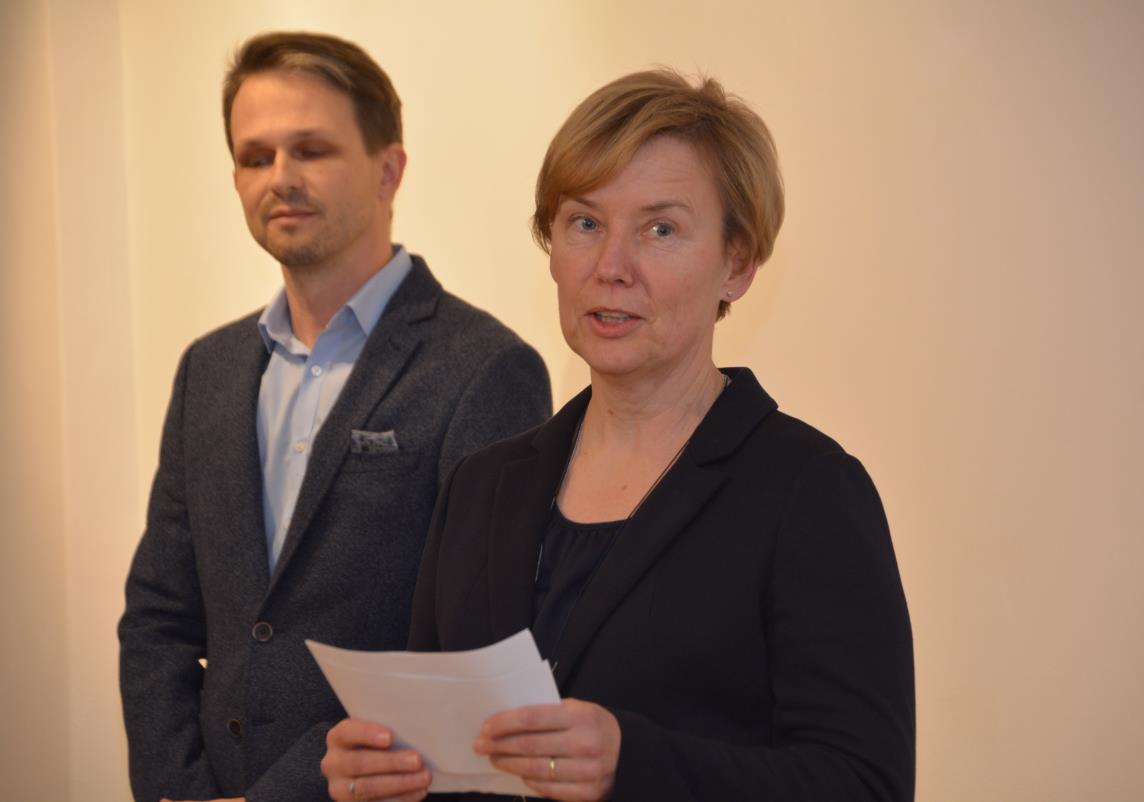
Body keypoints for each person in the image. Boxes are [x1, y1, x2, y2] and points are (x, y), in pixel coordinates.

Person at [320, 69, 915, 802]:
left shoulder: (810, 491)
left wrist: (633, 765)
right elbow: (448, 757)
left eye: (660, 230)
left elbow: (865, 784)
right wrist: (384, 775)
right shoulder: (481, 486)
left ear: (738, 263)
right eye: (585, 224)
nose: (611, 268)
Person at [118, 31, 552, 802]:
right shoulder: (207, 372)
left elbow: (466, 655)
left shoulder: (486, 369)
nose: (280, 177)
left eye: (311, 149)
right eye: (255, 157)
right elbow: (158, 619)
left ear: (389, 169)